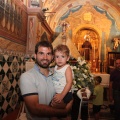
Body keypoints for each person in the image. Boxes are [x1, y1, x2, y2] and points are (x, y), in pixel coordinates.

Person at [20, 41, 73, 120]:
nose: (45, 57)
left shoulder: (56, 74)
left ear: (52, 57)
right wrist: (64, 112)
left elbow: (70, 95)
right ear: (35, 55)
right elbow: (34, 109)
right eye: (41, 53)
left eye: (48, 54)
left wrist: (65, 104)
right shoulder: (27, 77)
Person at [50, 44, 73, 120]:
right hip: (57, 93)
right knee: (54, 112)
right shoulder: (56, 67)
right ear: (54, 57)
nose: (59, 59)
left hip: (65, 93)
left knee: (55, 108)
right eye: (57, 56)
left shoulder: (67, 68)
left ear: (67, 58)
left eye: (62, 56)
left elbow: (69, 83)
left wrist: (62, 95)